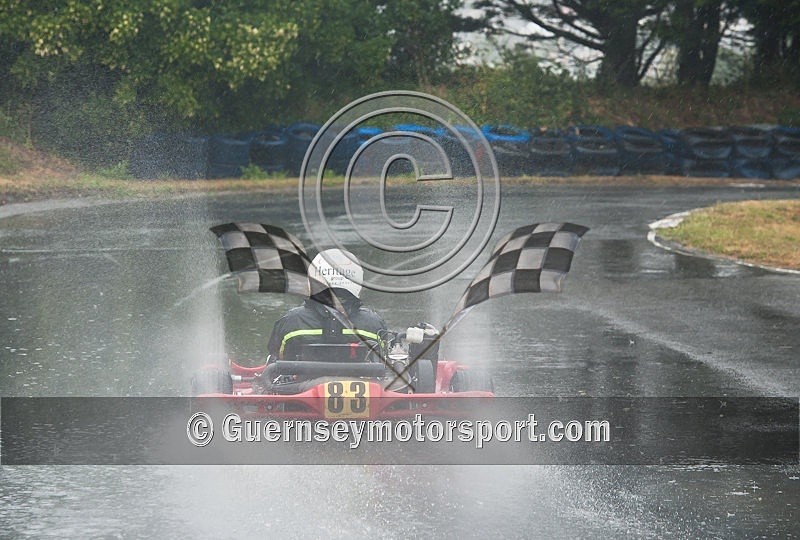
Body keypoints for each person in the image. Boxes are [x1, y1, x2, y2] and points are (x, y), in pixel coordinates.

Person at [266, 248, 387, 362]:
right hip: (364, 383)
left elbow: (278, 359)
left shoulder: (292, 321)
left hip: (301, 384)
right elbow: (383, 363)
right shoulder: (374, 324)